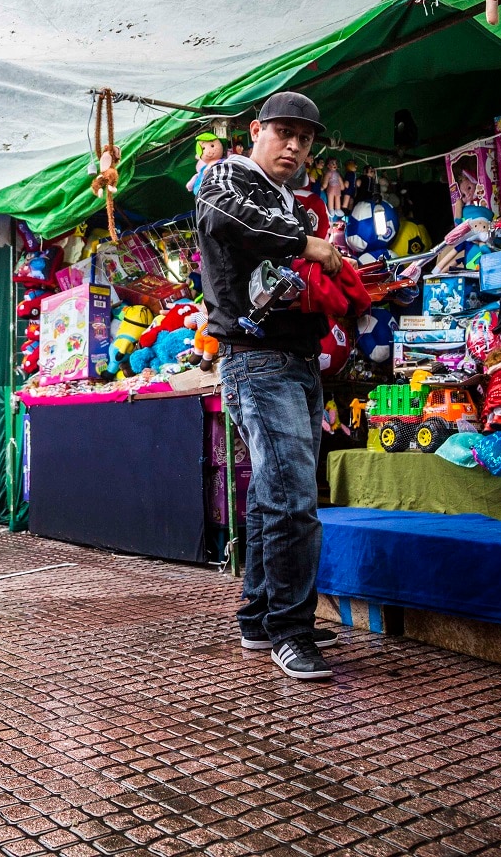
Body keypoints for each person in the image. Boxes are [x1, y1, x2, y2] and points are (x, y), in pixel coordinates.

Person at [195, 91, 347, 681]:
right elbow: (226, 218)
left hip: (295, 360)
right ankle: (291, 628)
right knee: (291, 499)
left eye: (304, 139)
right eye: (284, 132)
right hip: (256, 359)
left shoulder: (288, 199)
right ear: (255, 131)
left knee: (272, 493)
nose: (294, 146)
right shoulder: (224, 177)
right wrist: (304, 242)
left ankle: (260, 618)